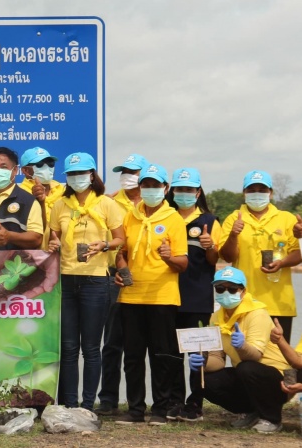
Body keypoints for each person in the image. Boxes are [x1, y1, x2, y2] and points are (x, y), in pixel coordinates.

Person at [46, 152, 125, 411]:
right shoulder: (60, 204)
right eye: (72, 174)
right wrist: (53, 243)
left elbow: (120, 238)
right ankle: (70, 405)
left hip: (96, 281)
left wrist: (104, 245)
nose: (76, 178)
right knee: (68, 347)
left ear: (92, 175)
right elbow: (53, 237)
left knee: (91, 348)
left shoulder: (106, 204)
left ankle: (87, 407)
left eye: (81, 173)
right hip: (66, 280)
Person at [114, 164, 188, 425]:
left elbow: (183, 263)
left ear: (165, 189)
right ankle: (135, 410)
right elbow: (120, 252)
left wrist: (169, 258)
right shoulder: (130, 216)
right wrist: (121, 270)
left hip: (162, 296)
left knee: (162, 355)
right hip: (132, 295)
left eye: (156, 185)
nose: (150, 189)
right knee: (133, 356)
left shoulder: (174, 219)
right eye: (146, 185)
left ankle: (160, 409)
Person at [188, 267, 290, 434]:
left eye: (232, 289)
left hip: (279, 378)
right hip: (247, 376)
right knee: (202, 378)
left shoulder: (257, 314)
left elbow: (255, 356)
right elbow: (218, 359)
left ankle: (272, 419)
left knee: (246, 367)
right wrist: (204, 363)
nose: (225, 293)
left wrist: (242, 346)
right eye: (220, 288)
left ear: (243, 291)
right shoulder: (216, 317)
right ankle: (252, 412)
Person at [164, 168, 222, 422]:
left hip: (198, 297)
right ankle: (174, 401)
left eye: (189, 189)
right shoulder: (165, 217)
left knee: (197, 355)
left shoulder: (209, 221)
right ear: (172, 191)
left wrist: (210, 246)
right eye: (180, 189)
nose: (184, 193)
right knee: (172, 354)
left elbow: (214, 259)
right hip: (167, 296)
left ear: (198, 192)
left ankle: (195, 403)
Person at [220, 170, 302, 342]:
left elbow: (300, 254)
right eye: (251, 190)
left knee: (279, 355)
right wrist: (233, 235)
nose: (257, 194)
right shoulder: (233, 218)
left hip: (279, 304)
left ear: (270, 193)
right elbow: (228, 257)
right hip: (243, 303)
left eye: (262, 190)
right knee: (245, 355)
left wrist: (285, 259)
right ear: (244, 193)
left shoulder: (286, 218)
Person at [96, 152, 149, 415]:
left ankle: (138, 402)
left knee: (140, 345)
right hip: (116, 278)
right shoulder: (109, 202)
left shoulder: (155, 204)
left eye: (133, 172)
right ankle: (108, 399)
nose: (127, 176)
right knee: (112, 342)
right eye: (124, 172)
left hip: (148, 280)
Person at [18, 147, 64, 248]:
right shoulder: (19, 195)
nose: (47, 167)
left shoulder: (62, 191)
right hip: (32, 254)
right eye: (40, 164)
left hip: (61, 253)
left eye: (50, 163)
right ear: (25, 170)